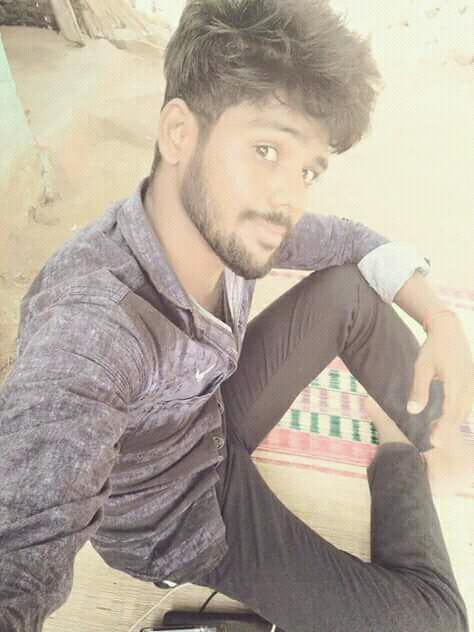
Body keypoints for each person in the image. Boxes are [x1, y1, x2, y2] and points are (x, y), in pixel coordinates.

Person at [0, 0, 472, 630]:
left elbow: (350, 241)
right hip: (188, 514)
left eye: (308, 169)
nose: (289, 198)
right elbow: (21, 552)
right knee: (438, 622)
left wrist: (440, 319)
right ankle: (399, 457)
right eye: (267, 150)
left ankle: (448, 434)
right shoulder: (90, 333)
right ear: (179, 132)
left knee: (349, 288)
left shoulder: (222, 218)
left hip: (213, 413)